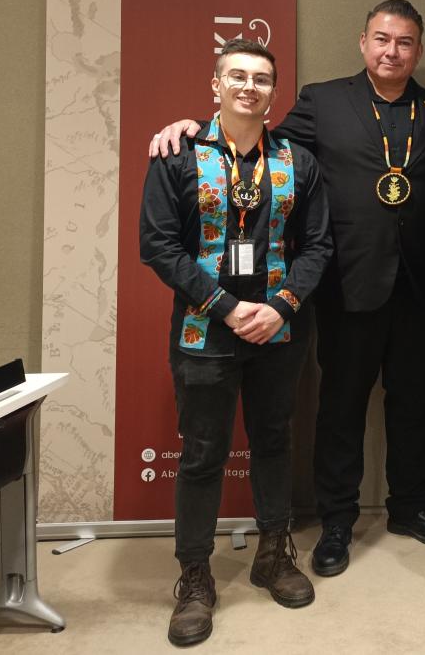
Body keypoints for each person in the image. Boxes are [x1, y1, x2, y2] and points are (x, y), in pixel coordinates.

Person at [150, 0, 425, 576]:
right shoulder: (325, 101)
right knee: (341, 406)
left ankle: (410, 507)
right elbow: (251, 136)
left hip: (423, 287)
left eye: (403, 43)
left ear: (417, 50)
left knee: (413, 402)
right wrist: (193, 124)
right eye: (381, 39)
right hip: (346, 285)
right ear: (362, 42)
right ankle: (338, 519)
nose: (391, 51)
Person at [140, 39, 332, 646]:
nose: (250, 86)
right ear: (215, 85)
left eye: (262, 78)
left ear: (274, 93)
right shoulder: (177, 156)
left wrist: (280, 307)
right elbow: (159, 245)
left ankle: (273, 553)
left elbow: (319, 245)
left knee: (275, 442)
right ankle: (195, 575)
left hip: (278, 330)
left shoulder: (298, 162)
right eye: (238, 76)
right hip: (204, 332)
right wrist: (225, 307)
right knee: (202, 454)